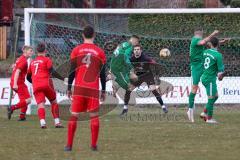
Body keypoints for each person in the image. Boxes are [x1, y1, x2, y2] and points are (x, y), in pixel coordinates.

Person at [65, 26, 106, 151]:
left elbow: (72, 71)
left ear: (83, 35)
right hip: (93, 88)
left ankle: (69, 146)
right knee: (94, 116)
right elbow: (103, 74)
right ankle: (93, 145)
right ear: (94, 35)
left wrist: (69, 87)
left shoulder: (76, 50)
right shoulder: (100, 52)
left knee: (74, 116)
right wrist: (103, 90)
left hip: (79, 88)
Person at [121, 45, 168, 115]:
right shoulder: (131, 59)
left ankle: (163, 106)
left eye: (138, 49)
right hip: (138, 76)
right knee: (128, 89)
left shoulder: (145, 58)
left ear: (141, 51)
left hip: (148, 75)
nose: (136, 51)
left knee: (153, 90)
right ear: (133, 51)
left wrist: (157, 75)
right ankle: (125, 108)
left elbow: (154, 64)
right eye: (135, 50)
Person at [27, 43, 63, 129]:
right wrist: (62, 78)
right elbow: (52, 71)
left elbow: (28, 77)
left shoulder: (32, 62)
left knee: (40, 104)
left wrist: (35, 82)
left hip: (37, 85)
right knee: (54, 102)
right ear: (45, 51)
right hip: (46, 84)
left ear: (36, 51)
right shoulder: (47, 60)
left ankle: (42, 123)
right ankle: (57, 122)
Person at [187, 28, 219, 122]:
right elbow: (203, 42)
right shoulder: (195, 40)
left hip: (203, 66)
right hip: (196, 67)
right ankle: (190, 110)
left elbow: (209, 44)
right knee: (194, 88)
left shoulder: (199, 40)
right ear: (200, 33)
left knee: (213, 93)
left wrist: (220, 42)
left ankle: (205, 112)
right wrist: (213, 33)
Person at [200, 37, 225, 124]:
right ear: (217, 44)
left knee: (216, 96)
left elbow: (210, 46)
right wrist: (221, 76)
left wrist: (219, 42)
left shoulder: (205, 52)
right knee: (211, 98)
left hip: (204, 77)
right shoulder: (218, 55)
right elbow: (220, 74)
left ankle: (204, 112)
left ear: (210, 44)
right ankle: (209, 119)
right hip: (210, 79)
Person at [8, 45, 33, 121]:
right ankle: (12, 108)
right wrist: (15, 84)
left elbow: (15, 67)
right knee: (28, 100)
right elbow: (17, 72)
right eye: (30, 51)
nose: (32, 52)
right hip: (18, 83)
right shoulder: (24, 61)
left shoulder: (20, 59)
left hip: (16, 82)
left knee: (24, 100)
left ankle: (22, 117)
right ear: (25, 51)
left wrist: (13, 66)